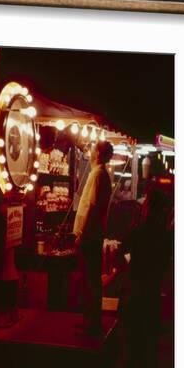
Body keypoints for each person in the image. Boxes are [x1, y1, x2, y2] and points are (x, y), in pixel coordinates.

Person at [118, 178, 174, 368]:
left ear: (149, 208)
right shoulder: (167, 237)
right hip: (152, 295)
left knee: (131, 347)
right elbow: (166, 266)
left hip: (134, 294)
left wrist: (129, 265)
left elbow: (120, 253)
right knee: (150, 348)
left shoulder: (138, 231)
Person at [73, 140, 113, 336]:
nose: (88, 154)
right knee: (90, 279)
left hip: (90, 235)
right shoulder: (102, 174)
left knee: (89, 280)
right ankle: (90, 319)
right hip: (93, 234)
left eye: (91, 150)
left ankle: (92, 322)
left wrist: (81, 233)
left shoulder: (98, 174)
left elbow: (92, 206)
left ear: (98, 153)